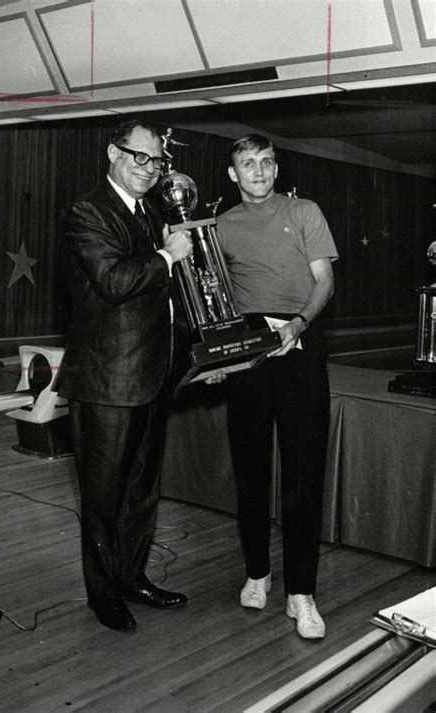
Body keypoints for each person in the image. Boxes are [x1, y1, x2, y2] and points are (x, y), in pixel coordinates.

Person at [58, 120, 193, 631]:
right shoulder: (90, 209)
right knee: (103, 496)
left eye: (156, 161)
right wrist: (166, 255)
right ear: (113, 153)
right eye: (139, 157)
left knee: (141, 490)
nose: (148, 169)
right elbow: (114, 281)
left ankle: (132, 577)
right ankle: (103, 593)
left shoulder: (150, 210)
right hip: (107, 381)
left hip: (152, 374)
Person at [216, 134, 338, 639]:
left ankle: (301, 594)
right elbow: (214, 298)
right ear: (233, 174)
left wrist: (298, 326)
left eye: (266, 162)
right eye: (248, 164)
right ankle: (257, 574)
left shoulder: (304, 210)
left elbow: (323, 282)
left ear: (275, 166)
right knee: (250, 472)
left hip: (298, 350)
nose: (259, 172)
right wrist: (217, 353)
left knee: (303, 476)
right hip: (248, 356)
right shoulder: (219, 226)